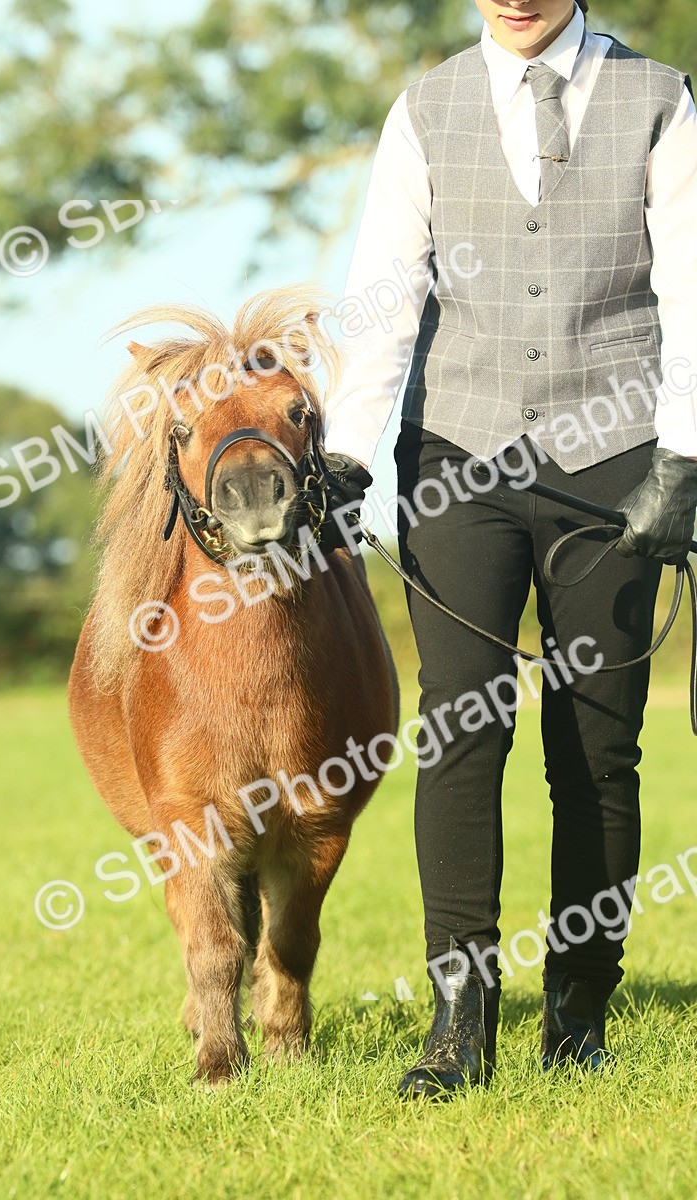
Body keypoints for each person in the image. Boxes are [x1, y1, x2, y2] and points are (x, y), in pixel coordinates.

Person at [319, 0, 697, 1099]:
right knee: (457, 729)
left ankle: (577, 1014)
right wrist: (346, 455)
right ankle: (456, 1024)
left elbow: (690, 286)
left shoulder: (659, 99)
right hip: (456, 454)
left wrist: (682, 456)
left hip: (615, 454)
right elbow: (383, 292)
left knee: (594, 746)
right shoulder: (424, 107)